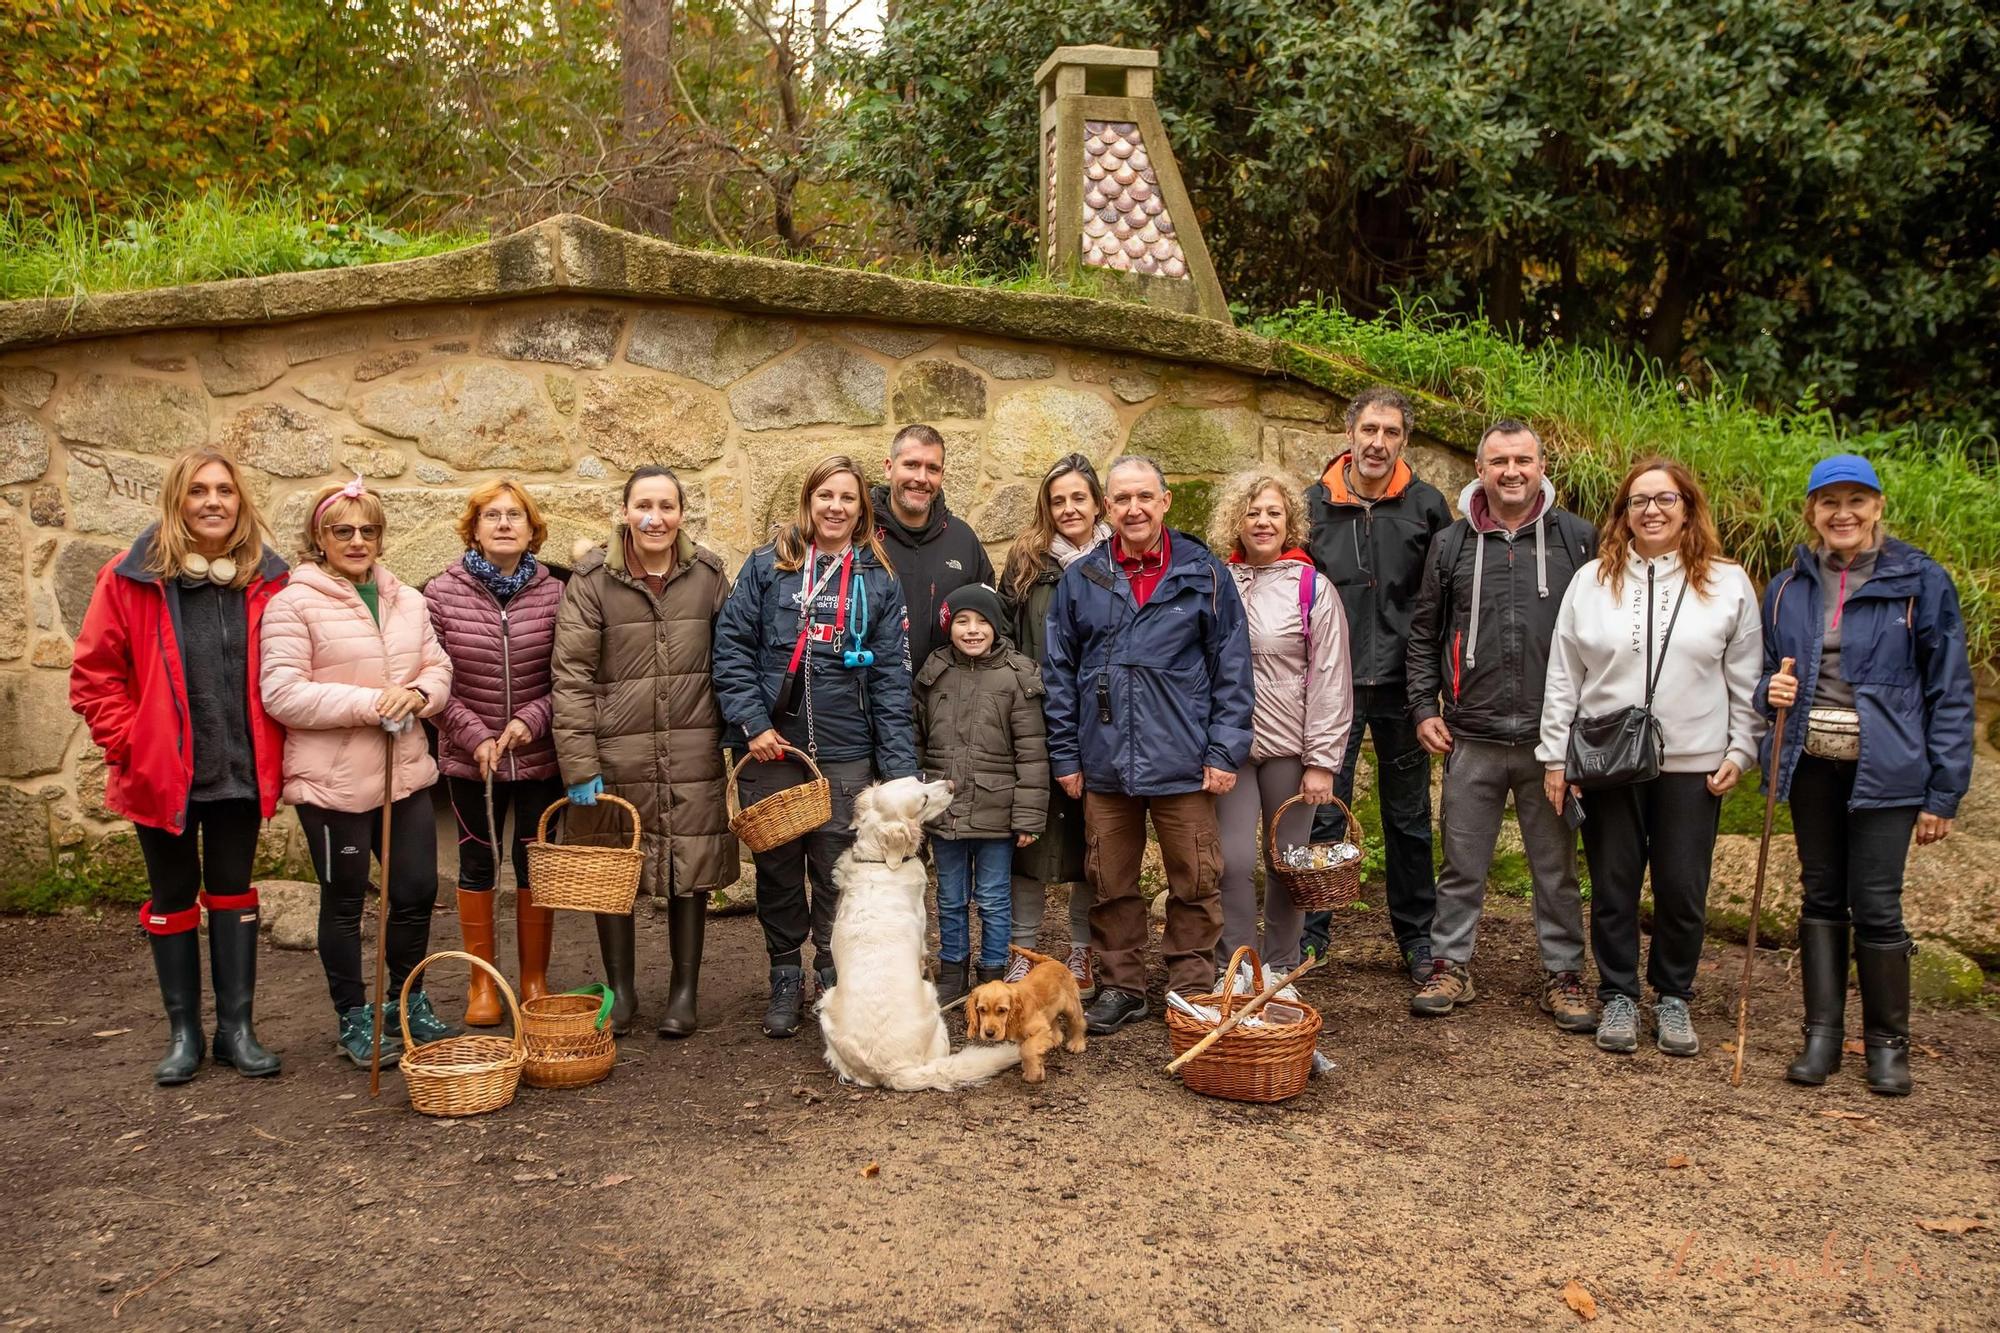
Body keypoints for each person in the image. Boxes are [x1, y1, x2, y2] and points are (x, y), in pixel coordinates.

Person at [69, 449, 289, 1086]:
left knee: (232, 890)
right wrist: (133, 742)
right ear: (177, 500)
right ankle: (184, 1033)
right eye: (199, 491)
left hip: (239, 772)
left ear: (240, 502)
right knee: (171, 896)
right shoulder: (129, 578)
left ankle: (237, 1031)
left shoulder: (266, 581)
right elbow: (93, 676)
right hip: (162, 773)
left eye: (225, 490)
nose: (213, 501)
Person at [1760, 455, 1973, 1096]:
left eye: (1856, 500)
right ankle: (1821, 1035)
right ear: (1812, 513)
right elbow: (1765, 675)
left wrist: (1945, 791)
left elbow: (1950, 691)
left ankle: (1886, 1044)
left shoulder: (1921, 581)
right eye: (1829, 502)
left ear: (1878, 506)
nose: (1843, 513)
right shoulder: (1788, 586)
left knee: (1877, 905)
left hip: (1890, 768)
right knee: (1820, 897)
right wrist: (1769, 691)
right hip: (1810, 762)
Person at [1539, 458, 1763, 1058]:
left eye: (1665, 499)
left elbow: (1746, 679)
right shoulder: (1592, 582)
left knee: (1682, 886)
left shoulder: (1727, 583)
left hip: (1694, 763)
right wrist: (1555, 756)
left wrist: (1742, 749)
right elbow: (1564, 675)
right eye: (1639, 501)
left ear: (1687, 507)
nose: (1652, 511)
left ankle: (1672, 997)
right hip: (1608, 759)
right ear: (1623, 514)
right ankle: (1617, 993)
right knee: (1613, 882)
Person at [1043, 455, 1254, 1034]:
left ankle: (1189, 986)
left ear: (1164, 502)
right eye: (1120, 499)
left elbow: (1231, 667)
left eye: (1144, 497)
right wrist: (1066, 755)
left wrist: (1223, 750)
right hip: (1104, 758)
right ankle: (1122, 987)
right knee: (1109, 881)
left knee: (1196, 879)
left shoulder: (1203, 573)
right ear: (1107, 509)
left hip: (1184, 758)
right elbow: (1059, 671)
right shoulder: (1082, 579)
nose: (1133, 508)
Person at [713, 455, 916, 1038]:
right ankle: (784, 975)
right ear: (808, 501)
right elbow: (731, 651)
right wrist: (752, 725)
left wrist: (898, 773)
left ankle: (831, 972)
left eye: (847, 498)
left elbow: (890, 681)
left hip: (848, 754)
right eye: (825, 495)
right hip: (772, 750)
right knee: (776, 871)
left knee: (837, 872)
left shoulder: (879, 580)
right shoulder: (767, 567)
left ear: (861, 509)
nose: (835, 507)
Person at [1406, 422, 1598, 1030]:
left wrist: (1583, 728)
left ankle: (1564, 974)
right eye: (1498, 461)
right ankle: (1450, 965)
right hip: (1473, 733)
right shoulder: (1453, 544)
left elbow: (1602, 638)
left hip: (1552, 742)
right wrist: (1423, 707)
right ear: (1480, 469)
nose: (1510, 471)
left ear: (1543, 465)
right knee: (1461, 863)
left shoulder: (1577, 540)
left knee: (1556, 869)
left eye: (1522, 460)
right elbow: (1423, 634)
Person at [261, 479, 454, 1068]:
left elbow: (437, 667)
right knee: (345, 901)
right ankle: (354, 1013)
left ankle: (405, 999)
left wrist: (419, 695)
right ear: (319, 538)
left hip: (405, 774)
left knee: (416, 891)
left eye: (368, 530)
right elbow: (282, 693)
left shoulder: (407, 600)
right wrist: (372, 703)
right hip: (334, 784)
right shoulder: (293, 603)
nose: (356, 540)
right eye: (342, 531)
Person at [551, 465, 735, 1038]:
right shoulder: (591, 580)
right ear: (624, 512)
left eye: (667, 506)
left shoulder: (707, 575)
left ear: (682, 513)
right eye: (643, 506)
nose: (655, 518)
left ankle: (684, 992)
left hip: (691, 745)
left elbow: (730, 660)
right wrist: (579, 763)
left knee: (691, 866)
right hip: (615, 752)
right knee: (613, 865)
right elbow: (571, 677)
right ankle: (623, 990)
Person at [1301, 385, 1451, 982]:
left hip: (1404, 686)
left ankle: (1418, 939)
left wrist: (1433, 687)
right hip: (1330, 686)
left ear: (1404, 440)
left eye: (1391, 433)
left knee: (1409, 817)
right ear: (1349, 434)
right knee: (1321, 813)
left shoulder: (1427, 506)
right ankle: (1310, 937)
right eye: (1369, 430)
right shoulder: (1313, 505)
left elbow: (1442, 601)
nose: (1378, 443)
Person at [423, 480, 565, 1027]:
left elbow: (571, 674)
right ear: (474, 528)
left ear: (532, 531)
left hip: (537, 757)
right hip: (469, 760)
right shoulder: (439, 594)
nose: (504, 524)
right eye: (492, 515)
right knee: (478, 861)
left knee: (535, 864)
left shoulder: (557, 594)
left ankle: (533, 979)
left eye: (515, 515)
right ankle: (482, 981)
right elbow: (429, 677)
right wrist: (472, 734)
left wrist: (532, 721)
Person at [1206, 470, 1351, 981]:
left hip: (1291, 749)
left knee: (1288, 861)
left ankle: (1282, 968)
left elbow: (1331, 678)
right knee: (1235, 861)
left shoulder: (1313, 588)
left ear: (1289, 520)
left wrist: (1322, 762)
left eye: (1272, 512)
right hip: (1233, 748)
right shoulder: (1216, 582)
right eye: (1252, 512)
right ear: (1236, 521)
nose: (1262, 522)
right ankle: (1238, 967)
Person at [998, 453, 1111, 991]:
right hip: (1038, 720)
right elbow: (1007, 639)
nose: (1068, 509)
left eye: (1078, 498)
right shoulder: (1027, 563)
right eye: (1057, 500)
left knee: (1095, 842)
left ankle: (1082, 952)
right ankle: (1023, 949)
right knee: (1031, 837)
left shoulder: (1118, 561)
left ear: (1098, 503)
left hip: (1105, 721)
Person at [914, 583, 1049, 1005]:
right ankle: (952, 969)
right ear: (949, 627)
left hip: (998, 810)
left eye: (982, 622)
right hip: (946, 810)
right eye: (962, 622)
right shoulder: (933, 673)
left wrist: (1028, 817)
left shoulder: (1016, 675)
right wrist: (918, 798)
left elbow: (1032, 752)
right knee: (950, 896)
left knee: (992, 897)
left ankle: (992, 972)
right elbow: (916, 738)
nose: (972, 631)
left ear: (997, 626)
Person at [872, 422, 994, 673]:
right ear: (889, 467)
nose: (921, 478)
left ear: (942, 475)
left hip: (946, 699)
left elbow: (991, 620)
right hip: (871, 698)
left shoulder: (963, 540)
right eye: (911, 465)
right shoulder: (861, 534)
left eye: (932, 469)